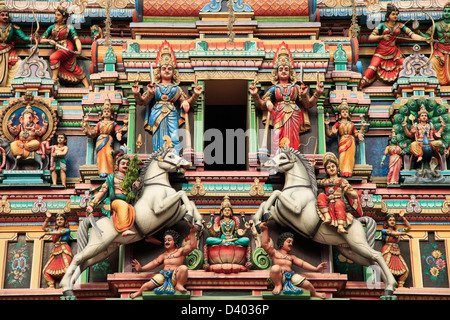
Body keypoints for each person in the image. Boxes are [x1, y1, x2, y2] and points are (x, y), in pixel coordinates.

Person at [249, 42, 324, 153]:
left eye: (286, 69)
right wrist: (255, 95)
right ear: (276, 73)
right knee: (277, 137)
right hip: (279, 114)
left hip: (294, 114)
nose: (283, 71)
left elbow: (308, 104)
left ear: (290, 73)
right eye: (280, 69)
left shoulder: (297, 88)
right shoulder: (274, 88)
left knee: (293, 139)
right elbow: (261, 104)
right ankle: (279, 157)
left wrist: (316, 93)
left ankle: (293, 157)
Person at [132, 40, 202, 154]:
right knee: (158, 137)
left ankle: (174, 156)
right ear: (159, 72)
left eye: (169, 69)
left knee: (174, 136)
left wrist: (195, 95)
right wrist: (137, 93)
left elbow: (187, 103)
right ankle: (159, 155)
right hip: (157, 113)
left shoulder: (176, 88)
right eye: (164, 68)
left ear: (174, 72)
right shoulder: (155, 87)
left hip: (171, 114)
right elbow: (143, 102)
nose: (167, 71)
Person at [358, 4, 430, 90]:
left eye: (396, 14)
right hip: (381, 50)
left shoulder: (399, 25)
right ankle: (361, 84)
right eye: (393, 14)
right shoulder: (382, 25)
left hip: (394, 50)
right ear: (388, 16)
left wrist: (424, 39)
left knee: (404, 64)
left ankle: (402, 84)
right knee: (373, 66)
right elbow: (370, 37)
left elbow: (412, 35)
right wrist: (382, 37)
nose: (395, 16)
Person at [259, 222, 327, 298]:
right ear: (282, 242)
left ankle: (314, 293)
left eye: (292, 242)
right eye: (288, 242)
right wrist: (265, 230)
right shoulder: (275, 253)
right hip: (279, 276)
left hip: (291, 276)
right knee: (275, 268)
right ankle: (278, 285)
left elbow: (302, 264)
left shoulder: (291, 257)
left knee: (307, 284)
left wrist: (316, 268)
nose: (291, 244)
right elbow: (264, 244)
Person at [130, 225, 198, 298]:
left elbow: (193, 246)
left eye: (169, 240)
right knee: (148, 285)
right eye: (165, 240)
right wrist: (141, 269)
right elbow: (154, 263)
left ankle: (179, 285)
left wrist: (192, 233)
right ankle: (139, 292)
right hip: (164, 276)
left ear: (174, 241)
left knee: (183, 268)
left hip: (176, 275)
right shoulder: (163, 255)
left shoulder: (181, 251)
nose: (166, 242)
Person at [86, 154, 137, 237]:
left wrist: (136, 186)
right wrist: (92, 205)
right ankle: (124, 229)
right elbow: (102, 191)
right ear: (117, 165)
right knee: (122, 205)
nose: (125, 166)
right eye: (123, 163)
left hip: (128, 202)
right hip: (116, 201)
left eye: (127, 164)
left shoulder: (130, 179)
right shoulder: (112, 178)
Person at [39, 5, 89, 87]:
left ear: (64, 18)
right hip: (59, 48)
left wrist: (79, 50)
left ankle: (54, 79)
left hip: (67, 47)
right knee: (71, 67)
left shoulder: (69, 27)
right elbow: (41, 39)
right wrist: (49, 41)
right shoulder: (52, 27)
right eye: (55, 14)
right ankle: (87, 86)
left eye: (58, 15)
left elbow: (76, 39)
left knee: (53, 57)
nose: (56, 16)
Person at [317, 152, 362, 234]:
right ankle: (327, 216)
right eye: (328, 167)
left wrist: (347, 191)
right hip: (328, 203)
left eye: (333, 166)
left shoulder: (342, 181)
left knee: (338, 204)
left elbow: (355, 195)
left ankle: (340, 226)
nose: (331, 168)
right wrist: (312, 168)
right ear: (326, 171)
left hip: (339, 202)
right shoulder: (325, 181)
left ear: (337, 168)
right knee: (321, 195)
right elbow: (314, 182)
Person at [81, 99, 127, 177]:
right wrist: (86, 124)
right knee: (101, 156)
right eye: (105, 111)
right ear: (102, 114)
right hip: (100, 140)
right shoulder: (100, 123)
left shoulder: (113, 123)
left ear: (111, 114)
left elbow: (119, 130)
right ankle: (102, 172)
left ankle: (109, 172)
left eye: (108, 111)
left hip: (109, 141)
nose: (106, 112)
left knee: (109, 154)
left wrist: (121, 131)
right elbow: (93, 133)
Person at [324, 98, 365, 177]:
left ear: (348, 113)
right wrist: (326, 125)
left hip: (351, 141)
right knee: (342, 157)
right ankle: (341, 171)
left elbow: (356, 133)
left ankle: (349, 172)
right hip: (343, 141)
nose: (345, 113)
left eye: (346, 112)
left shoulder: (351, 124)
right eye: (343, 112)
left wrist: (362, 128)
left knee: (350, 158)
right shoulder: (338, 124)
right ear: (340, 114)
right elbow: (329, 134)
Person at [414, 2, 450, 85]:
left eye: (449, 11)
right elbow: (427, 36)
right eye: (445, 11)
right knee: (433, 61)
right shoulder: (437, 25)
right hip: (440, 50)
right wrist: (418, 31)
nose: (447, 13)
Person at [0, 3, 33, 86]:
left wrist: (30, 38)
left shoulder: (12, 27)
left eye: (6, 15)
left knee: (19, 64)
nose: (5, 17)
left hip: (9, 52)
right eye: (2, 15)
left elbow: (23, 37)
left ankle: (10, 85)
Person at [40, 211, 73, 289]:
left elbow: (59, 233)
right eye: (57, 219)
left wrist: (46, 234)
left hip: (64, 250)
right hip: (55, 251)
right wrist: (48, 218)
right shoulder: (53, 231)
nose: (59, 221)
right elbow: (43, 228)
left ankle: (64, 285)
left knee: (67, 269)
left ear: (65, 221)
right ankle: (51, 286)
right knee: (46, 271)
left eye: (61, 219)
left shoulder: (67, 230)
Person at [381, 210, 412, 287]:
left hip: (396, 252)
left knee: (405, 270)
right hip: (388, 250)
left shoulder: (398, 231)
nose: (392, 222)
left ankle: (400, 285)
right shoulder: (384, 231)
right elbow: (393, 233)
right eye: (390, 220)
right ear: (386, 222)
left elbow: (409, 227)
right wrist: (404, 234)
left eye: (394, 220)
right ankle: (387, 284)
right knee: (385, 268)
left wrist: (403, 217)